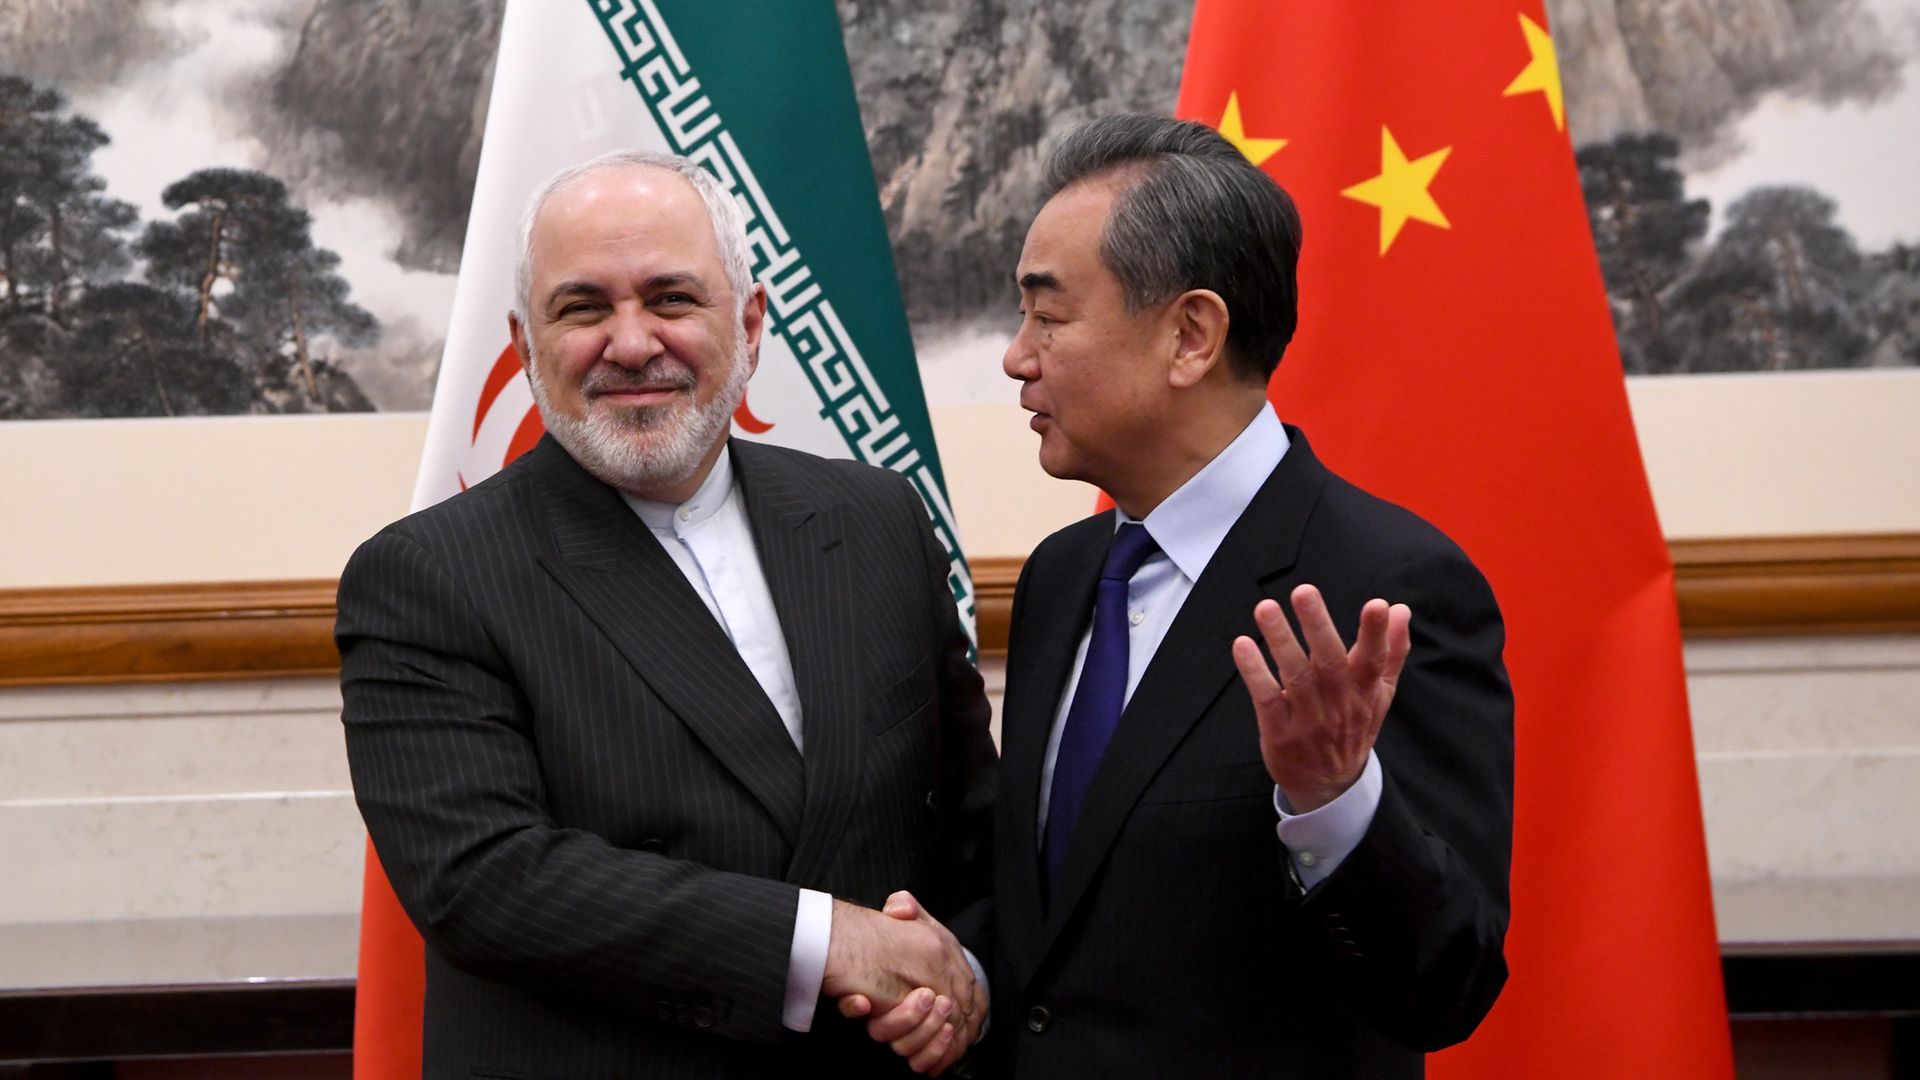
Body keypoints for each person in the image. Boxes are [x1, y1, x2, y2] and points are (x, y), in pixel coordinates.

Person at [335, 149, 995, 1078]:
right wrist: (824, 941)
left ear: (752, 325)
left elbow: (971, 824)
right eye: (584, 308)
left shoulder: (876, 518)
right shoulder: (426, 576)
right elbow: (486, 882)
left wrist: (958, 979)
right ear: (525, 348)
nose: (632, 342)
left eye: (672, 298)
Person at [985, 114, 1514, 1077]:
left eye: (1048, 316)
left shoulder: (1382, 588)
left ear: (1190, 335)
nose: (1018, 357)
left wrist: (1336, 802)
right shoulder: (1060, 580)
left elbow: (1447, 983)